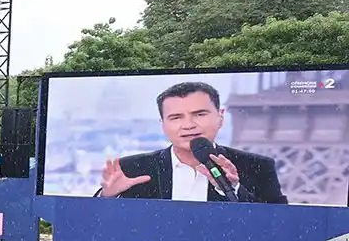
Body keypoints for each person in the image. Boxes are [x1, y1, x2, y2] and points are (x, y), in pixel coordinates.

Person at [96, 81, 287, 204]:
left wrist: (234, 189)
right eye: (176, 117)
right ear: (163, 124)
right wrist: (108, 198)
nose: (188, 125)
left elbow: (279, 226)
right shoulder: (133, 168)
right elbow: (96, 229)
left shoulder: (256, 166)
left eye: (200, 114)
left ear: (220, 117)